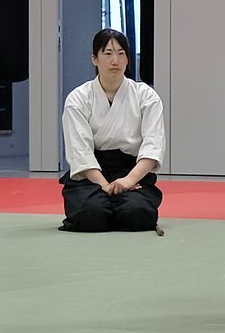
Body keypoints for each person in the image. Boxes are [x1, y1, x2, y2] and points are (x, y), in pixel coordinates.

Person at [60, 28, 165, 233]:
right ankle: (104, 204)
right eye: (107, 53)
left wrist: (129, 181)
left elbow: (153, 145)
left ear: (127, 59)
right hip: (91, 174)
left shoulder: (146, 96)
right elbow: (80, 151)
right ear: (94, 59)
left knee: (136, 215)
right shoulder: (78, 99)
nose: (115, 60)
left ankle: (120, 204)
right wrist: (104, 185)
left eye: (121, 53)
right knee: (91, 215)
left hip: (131, 171)